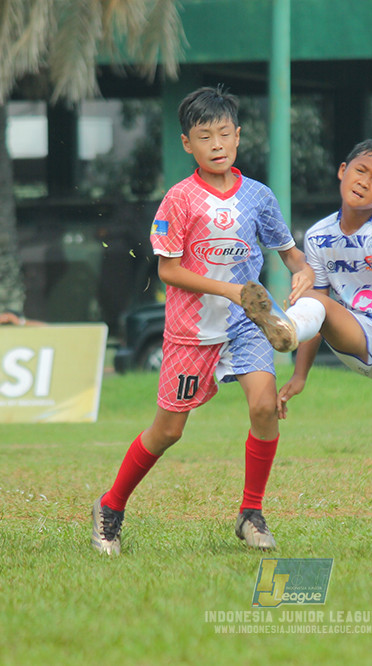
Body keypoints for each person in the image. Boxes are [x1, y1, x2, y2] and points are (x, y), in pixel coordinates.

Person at [90, 86, 314, 555]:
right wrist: (233, 289)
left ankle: (251, 513)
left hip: (247, 325)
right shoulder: (178, 200)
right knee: (168, 431)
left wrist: (303, 274)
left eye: (225, 133)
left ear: (238, 137)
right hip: (190, 334)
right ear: (187, 143)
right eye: (205, 135)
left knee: (263, 406)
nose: (217, 144)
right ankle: (110, 507)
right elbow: (168, 270)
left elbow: (292, 255)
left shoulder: (258, 196)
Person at [240, 138, 372, 555]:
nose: (365, 183)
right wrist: (298, 375)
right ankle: (287, 328)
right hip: (360, 333)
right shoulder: (318, 236)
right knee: (313, 295)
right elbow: (322, 306)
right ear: (342, 170)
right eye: (360, 171)